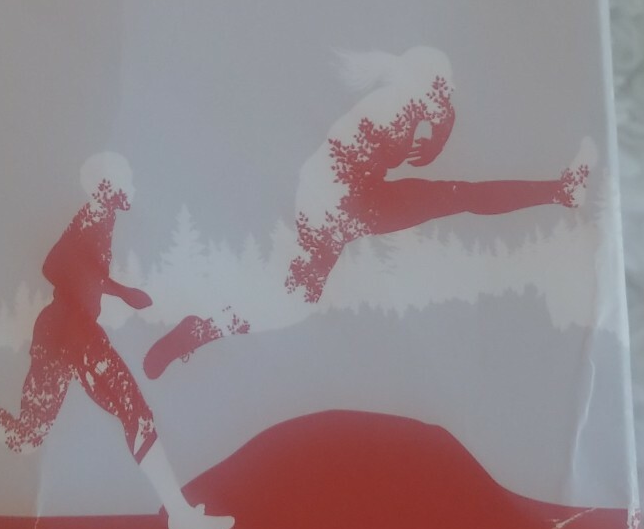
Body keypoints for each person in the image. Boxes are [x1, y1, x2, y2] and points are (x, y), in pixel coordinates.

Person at [144, 47, 594, 380]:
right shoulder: (395, 110)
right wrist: (437, 134)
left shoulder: (403, 103)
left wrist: (438, 130)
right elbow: (408, 143)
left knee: (294, 301)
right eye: (444, 88)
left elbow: (432, 126)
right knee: (457, 197)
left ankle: (201, 330)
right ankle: (561, 191)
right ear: (426, 85)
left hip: (336, 198)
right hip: (340, 201)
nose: (449, 97)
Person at [0, 153, 232, 529]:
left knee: (27, 437)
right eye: (126, 180)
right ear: (108, 186)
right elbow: (54, 264)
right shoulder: (95, 215)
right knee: (136, 413)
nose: (132, 187)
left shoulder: (103, 218)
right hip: (73, 329)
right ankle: (180, 515)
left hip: (58, 330)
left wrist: (117, 291)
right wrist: (119, 289)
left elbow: (75, 266)